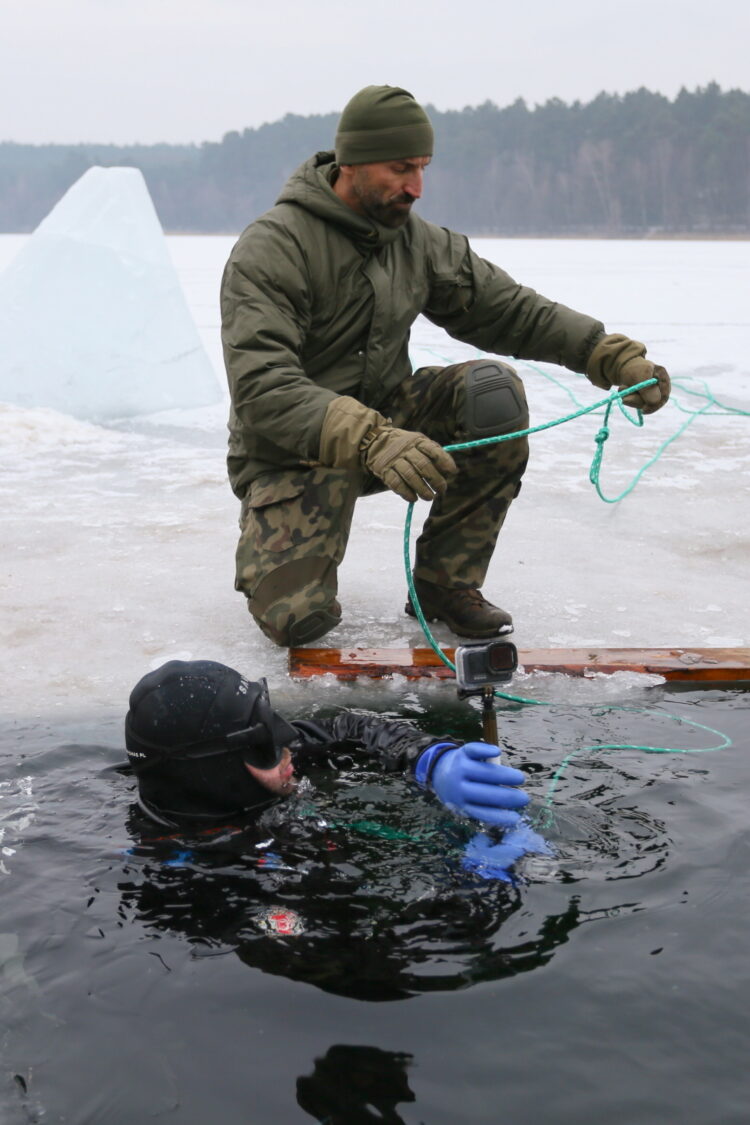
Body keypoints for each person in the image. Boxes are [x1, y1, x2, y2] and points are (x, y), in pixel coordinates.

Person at [220, 85, 671, 647]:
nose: (416, 186)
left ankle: (445, 584)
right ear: (353, 162)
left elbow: (510, 311)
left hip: (389, 425)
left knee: (491, 392)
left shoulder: (418, 243)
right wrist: (372, 439)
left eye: (423, 168)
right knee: (297, 622)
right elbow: (262, 388)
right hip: (293, 450)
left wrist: (607, 354)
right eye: (401, 168)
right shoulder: (273, 247)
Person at [124, 658, 547, 880]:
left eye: (270, 719)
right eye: (264, 742)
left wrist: (427, 759)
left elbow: (347, 728)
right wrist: (477, 894)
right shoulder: (216, 880)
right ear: (215, 776)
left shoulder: (230, 776)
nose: (288, 742)